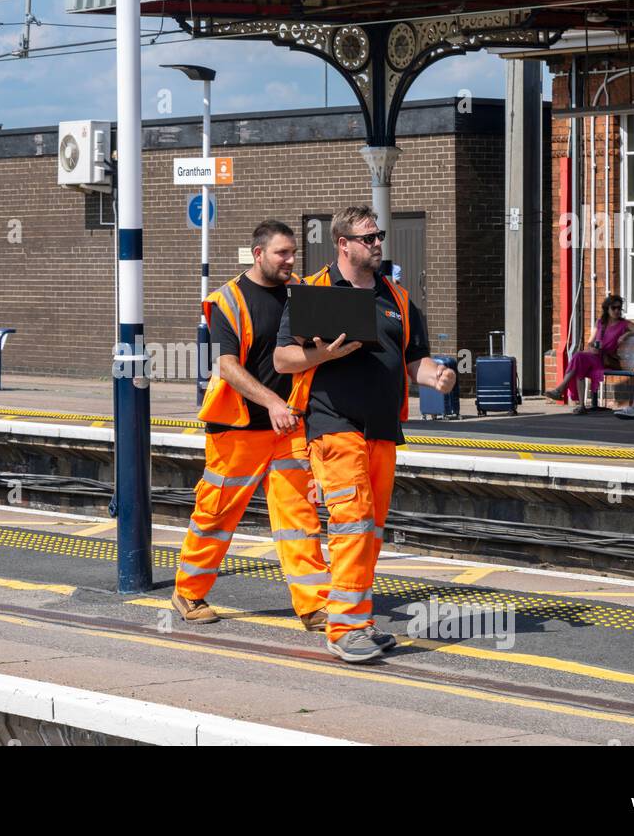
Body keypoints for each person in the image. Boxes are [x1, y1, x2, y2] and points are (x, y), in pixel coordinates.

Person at [273, 206, 455, 663]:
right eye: (368, 237)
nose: (377, 244)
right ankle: (344, 629)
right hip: (334, 426)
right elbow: (282, 361)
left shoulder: (397, 297)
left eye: (379, 236)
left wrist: (438, 377)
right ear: (343, 244)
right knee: (351, 523)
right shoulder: (313, 293)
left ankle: (360, 619)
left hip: (382, 431)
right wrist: (324, 356)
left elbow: (416, 361)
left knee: (368, 531)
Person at [172, 220, 332, 632]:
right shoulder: (227, 300)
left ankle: (315, 605)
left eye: (293, 252)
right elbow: (226, 366)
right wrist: (272, 400)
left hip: (288, 427)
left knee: (300, 518)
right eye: (283, 253)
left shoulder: (301, 291)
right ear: (258, 254)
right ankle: (188, 591)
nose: (291, 260)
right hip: (238, 427)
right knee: (216, 514)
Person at [544, 294, 634, 414]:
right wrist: (593, 348)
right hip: (594, 357)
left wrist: (626, 334)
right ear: (607, 309)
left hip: (605, 360)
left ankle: (562, 391)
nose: (617, 310)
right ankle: (579, 404)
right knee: (579, 361)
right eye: (614, 308)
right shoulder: (600, 323)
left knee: (578, 358)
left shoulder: (623, 324)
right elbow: (590, 343)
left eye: (619, 308)